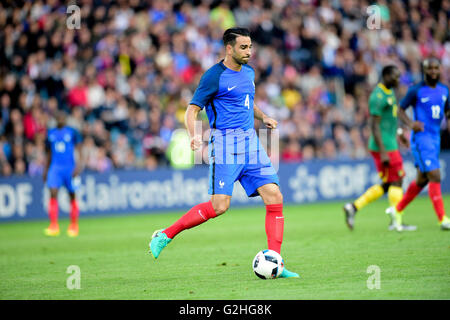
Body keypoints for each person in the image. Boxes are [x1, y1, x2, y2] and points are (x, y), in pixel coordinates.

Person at [149, 27, 299, 278]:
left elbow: (247, 101)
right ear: (229, 48)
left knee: (275, 196)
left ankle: (276, 261)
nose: (249, 52)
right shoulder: (213, 76)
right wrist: (194, 134)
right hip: (226, 145)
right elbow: (191, 110)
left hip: (251, 142)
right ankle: (165, 235)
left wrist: (264, 117)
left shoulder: (249, 72)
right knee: (219, 206)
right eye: (243, 47)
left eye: (250, 47)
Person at [343, 65, 416, 231]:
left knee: (389, 182)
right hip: (384, 146)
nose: (398, 80)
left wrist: (399, 133)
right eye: (395, 76)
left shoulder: (390, 92)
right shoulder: (377, 96)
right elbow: (374, 125)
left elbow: (390, 119)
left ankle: (353, 207)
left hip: (389, 142)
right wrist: (383, 151)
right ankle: (396, 221)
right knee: (398, 179)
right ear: (386, 76)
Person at [386, 58, 450, 231]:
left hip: (435, 138)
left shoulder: (444, 90)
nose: (434, 72)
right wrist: (410, 124)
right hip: (421, 139)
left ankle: (397, 210)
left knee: (422, 180)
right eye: (430, 69)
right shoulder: (416, 90)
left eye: (436, 68)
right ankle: (443, 219)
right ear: (424, 71)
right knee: (435, 175)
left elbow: (448, 112)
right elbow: (399, 109)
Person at [43, 111, 82, 237]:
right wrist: (46, 169)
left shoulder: (72, 132)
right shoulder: (50, 133)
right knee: (53, 193)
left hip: (69, 168)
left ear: (65, 119)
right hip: (55, 168)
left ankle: (74, 225)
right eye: (58, 118)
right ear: (55, 119)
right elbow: (48, 153)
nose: (60, 120)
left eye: (62, 118)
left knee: (72, 195)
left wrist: (79, 165)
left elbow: (80, 148)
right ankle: (54, 225)